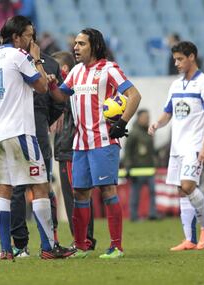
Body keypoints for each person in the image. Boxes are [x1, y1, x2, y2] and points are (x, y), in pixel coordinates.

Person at [0, 15, 75, 260]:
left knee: (4, 188)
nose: (32, 40)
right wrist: (36, 58)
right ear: (16, 37)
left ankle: (5, 249)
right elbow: (43, 87)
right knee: (40, 186)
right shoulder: (20, 56)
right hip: (20, 131)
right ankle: (48, 247)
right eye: (28, 35)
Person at [47, 28, 141, 259]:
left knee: (108, 190)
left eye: (81, 44)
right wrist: (50, 86)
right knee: (80, 193)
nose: (75, 48)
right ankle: (81, 246)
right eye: (75, 44)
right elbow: (61, 96)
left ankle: (116, 246)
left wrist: (122, 123)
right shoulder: (76, 71)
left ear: (95, 46)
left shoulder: (109, 69)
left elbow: (134, 95)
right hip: (80, 144)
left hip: (104, 141)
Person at [148, 41, 204, 251]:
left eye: (180, 59)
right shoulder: (176, 85)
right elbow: (169, 111)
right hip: (177, 146)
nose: (176, 63)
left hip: (194, 145)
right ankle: (190, 239)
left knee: (188, 186)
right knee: (181, 190)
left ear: (192, 57)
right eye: (175, 59)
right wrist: (158, 123)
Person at [9, 29, 67, 258]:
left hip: (32, 127)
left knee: (34, 185)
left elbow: (59, 100)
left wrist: (45, 120)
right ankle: (31, 244)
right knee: (26, 187)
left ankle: (40, 242)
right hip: (25, 128)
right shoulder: (15, 62)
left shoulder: (48, 64)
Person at [51, 50, 96, 249]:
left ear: (64, 69)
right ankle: (85, 238)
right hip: (69, 147)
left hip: (69, 147)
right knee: (80, 194)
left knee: (74, 196)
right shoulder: (72, 87)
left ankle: (82, 240)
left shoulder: (68, 90)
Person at [124, 109, 158, 222]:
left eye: (148, 117)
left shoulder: (149, 132)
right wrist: (128, 167)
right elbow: (127, 151)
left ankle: (152, 213)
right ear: (138, 118)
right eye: (144, 117)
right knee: (135, 193)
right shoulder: (133, 133)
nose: (147, 119)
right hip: (137, 169)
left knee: (153, 192)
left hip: (149, 168)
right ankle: (133, 215)